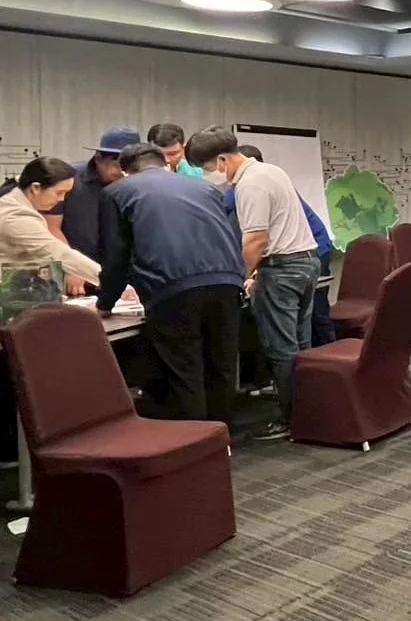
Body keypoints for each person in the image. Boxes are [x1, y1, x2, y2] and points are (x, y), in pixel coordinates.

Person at [186, 126, 318, 442]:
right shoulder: (271, 171)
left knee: (281, 348)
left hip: (282, 270)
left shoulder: (250, 185)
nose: (208, 176)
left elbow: (257, 240)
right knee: (300, 345)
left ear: (222, 160)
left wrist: (241, 276)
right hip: (305, 262)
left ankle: (291, 419)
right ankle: (310, 411)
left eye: (206, 168)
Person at [97, 143, 245, 423]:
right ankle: (221, 442)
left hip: (173, 289)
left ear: (126, 171)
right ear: (165, 162)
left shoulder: (117, 192)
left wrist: (105, 302)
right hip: (228, 282)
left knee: (185, 371)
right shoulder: (206, 189)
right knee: (221, 367)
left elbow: (116, 256)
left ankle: (195, 446)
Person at [234, 145, 335, 347]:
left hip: (306, 253)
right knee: (303, 326)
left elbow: (256, 239)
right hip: (308, 253)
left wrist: (245, 274)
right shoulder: (274, 180)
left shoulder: (251, 188)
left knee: (309, 321)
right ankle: (318, 365)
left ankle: (326, 355)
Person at [0, 157, 101, 295]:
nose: (62, 199)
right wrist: (108, 281)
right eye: (59, 192)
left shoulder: (15, 203)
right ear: (35, 188)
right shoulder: (16, 216)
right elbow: (58, 253)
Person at [52, 126, 139, 263]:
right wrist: (70, 265)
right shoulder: (69, 178)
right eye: (118, 166)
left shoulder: (137, 184)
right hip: (78, 270)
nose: (124, 173)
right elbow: (51, 227)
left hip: (122, 272)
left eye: (130, 167)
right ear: (98, 158)